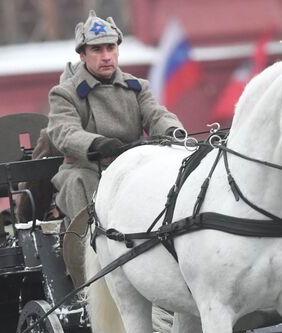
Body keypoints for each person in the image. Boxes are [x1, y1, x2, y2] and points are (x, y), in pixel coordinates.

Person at [47, 10, 184, 221]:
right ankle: (88, 246)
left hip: (134, 163)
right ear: (82, 55)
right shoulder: (65, 93)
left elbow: (155, 114)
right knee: (78, 182)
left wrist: (172, 131)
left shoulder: (136, 87)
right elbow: (64, 132)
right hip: (88, 168)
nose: (106, 56)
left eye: (111, 47)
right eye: (96, 49)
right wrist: (97, 144)